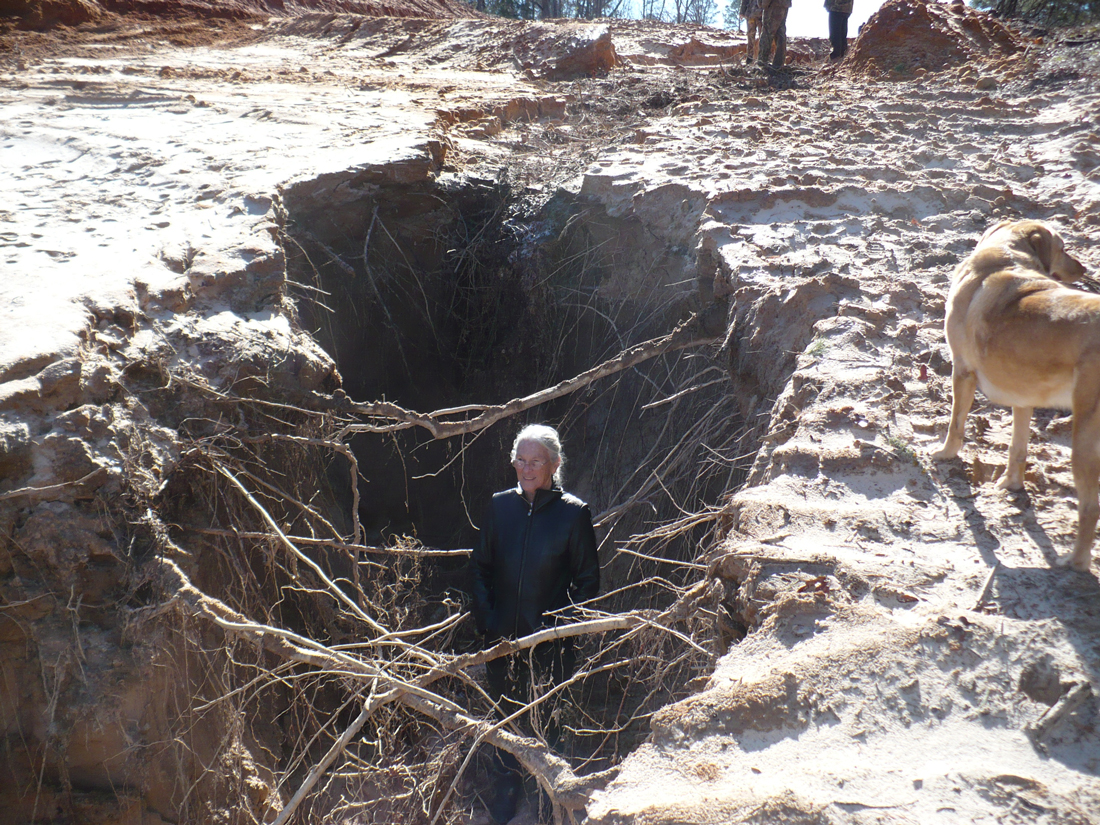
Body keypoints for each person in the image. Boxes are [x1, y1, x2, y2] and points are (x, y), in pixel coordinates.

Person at [469, 424, 600, 825]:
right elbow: (479, 570)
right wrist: (489, 622)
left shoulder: (573, 515)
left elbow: (587, 583)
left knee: (550, 727)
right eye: (520, 461)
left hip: (551, 645)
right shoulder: (499, 507)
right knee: (506, 723)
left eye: (536, 461)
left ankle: (546, 804)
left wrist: (561, 630)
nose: (527, 469)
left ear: (555, 464)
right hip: (502, 642)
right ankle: (506, 801)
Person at [758, 0, 792, 69]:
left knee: (767, 32)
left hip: (772, 5)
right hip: (784, 4)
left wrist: (763, 3)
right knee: (780, 33)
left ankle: (762, 62)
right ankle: (779, 64)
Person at [740, 0, 763, 64]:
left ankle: (762, 58)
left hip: (761, 15)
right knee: (750, 36)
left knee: (763, 36)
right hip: (751, 14)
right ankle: (749, 58)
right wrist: (742, 11)